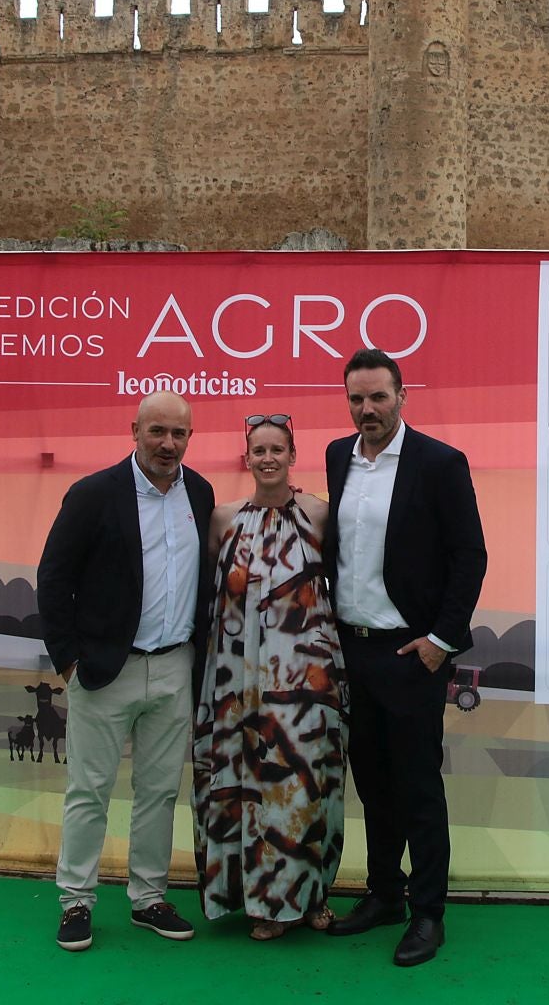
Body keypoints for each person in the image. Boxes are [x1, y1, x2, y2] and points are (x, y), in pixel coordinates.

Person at [322, 348, 487, 968]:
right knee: (372, 784)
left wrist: (440, 642)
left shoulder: (441, 463)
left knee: (418, 787)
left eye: (378, 398)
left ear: (401, 397)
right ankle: (384, 896)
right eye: (356, 399)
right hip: (352, 653)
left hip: (409, 655)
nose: (367, 409)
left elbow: (469, 555)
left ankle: (427, 913)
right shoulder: (339, 457)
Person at [36, 390, 216, 952]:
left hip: (174, 668)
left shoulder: (201, 494)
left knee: (160, 792)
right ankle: (75, 901)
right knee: (88, 790)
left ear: (190, 437)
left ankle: (148, 898)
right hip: (104, 671)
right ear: (133, 430)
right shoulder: (93, 495)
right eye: (157, 431)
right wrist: (68, 658)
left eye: (178, 434)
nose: (168, 444)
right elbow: (52, 578)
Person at [192, 415, 345, 941]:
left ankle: (308, 896)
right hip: (237, 681)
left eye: (277, 449)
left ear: (293, 453)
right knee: (245, 786)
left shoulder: (321, 515)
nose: (268, 458)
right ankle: (258, 901)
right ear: (247, 456)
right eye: (259, 450)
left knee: (305, 786)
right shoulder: (223, 519)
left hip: (307, 681)